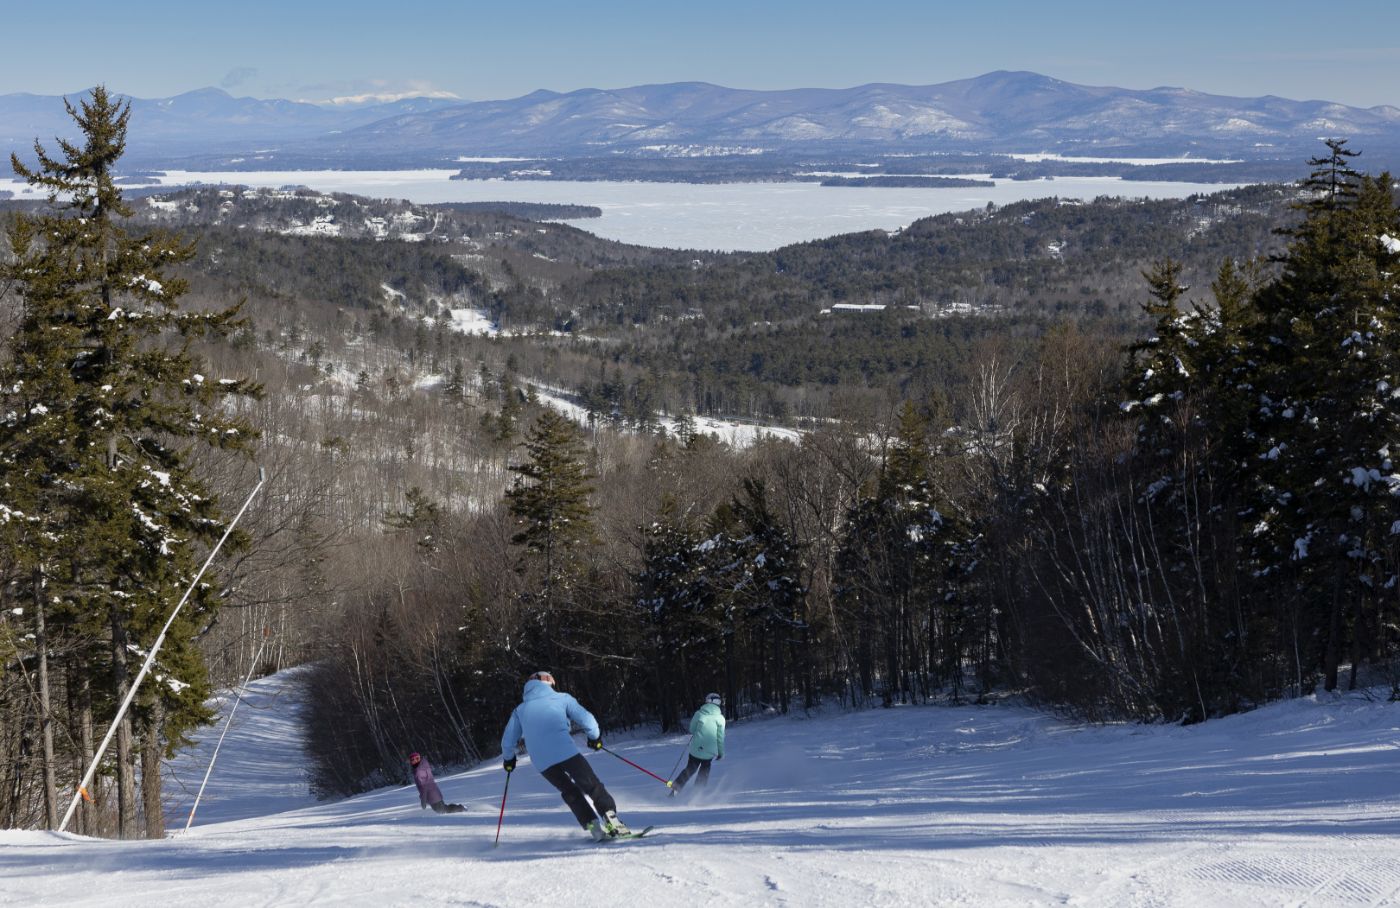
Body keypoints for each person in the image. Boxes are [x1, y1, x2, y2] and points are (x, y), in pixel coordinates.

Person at [500, 670, 631, 841]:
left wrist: (509, 759)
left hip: (542, 762)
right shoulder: (562, 698)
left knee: (569, 791)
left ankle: (593, 827)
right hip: (565, 752)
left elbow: (508, 740)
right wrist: (594, 737)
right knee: (592, 786)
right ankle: (612, 821)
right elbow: (588, 720)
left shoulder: (520, 710)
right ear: (547, 681)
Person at [670, 692, 725, 794]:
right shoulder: (720, 718)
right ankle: (697, 794)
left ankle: (675, 791)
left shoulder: (699, 714)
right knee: (704, 772)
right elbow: (720, 737)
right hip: (709, 752)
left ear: (707, 701)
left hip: (696, 749)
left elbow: (691, 729)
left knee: (690, 769)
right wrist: (721, 753)